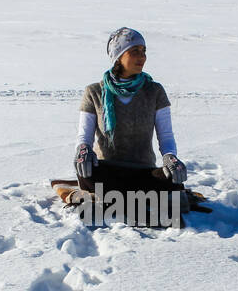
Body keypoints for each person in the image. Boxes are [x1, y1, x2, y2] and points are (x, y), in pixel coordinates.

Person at [75, 27, 187, 185]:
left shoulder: (154, 91)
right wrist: (83, 150)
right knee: (86, 175)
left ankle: (117, 197)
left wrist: (170, 156)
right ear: (118, 56)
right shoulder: (94, 92)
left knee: (173, 180)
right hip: (106, 169)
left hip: (144, 171)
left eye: (144, 51)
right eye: (135, 51)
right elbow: (84, 136)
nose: (142, 56)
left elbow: (166, 136)